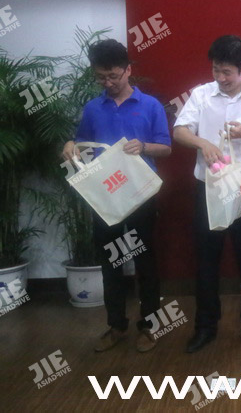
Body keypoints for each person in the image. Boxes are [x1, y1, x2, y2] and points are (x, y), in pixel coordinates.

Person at [61, 39, 172, 353]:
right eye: (101, 77)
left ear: (128, 70)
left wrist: (144, 146)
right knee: (110, 260)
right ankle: (116, 325)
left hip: (139, 193)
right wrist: (70, 146)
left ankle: (149, 325)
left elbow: (166, 147)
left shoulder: (149, 105)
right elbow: (82, 144)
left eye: (113, 76)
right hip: (105, 195)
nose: (107, 83)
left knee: (145, 260)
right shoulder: (93, 108)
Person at [173, 35, 241, 353]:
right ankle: (205, 327)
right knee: (207, 259)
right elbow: (179, 131)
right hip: (210, 186)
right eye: (216, 70)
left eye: (227, 72)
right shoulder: (201, 94)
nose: (220, 78)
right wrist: (202, 142)